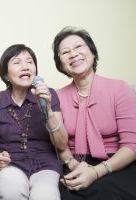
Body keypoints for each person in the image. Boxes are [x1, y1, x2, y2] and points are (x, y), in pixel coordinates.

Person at [53, 26, 136, 200]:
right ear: (60, 63)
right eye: (65, 52)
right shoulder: (57, 96)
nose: (73, 54)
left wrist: (96, 172)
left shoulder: (119, 88)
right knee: (66, 191)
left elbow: (132, 145)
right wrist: (74, 165)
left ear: (92, 52)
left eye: (79, 47)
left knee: (104, 191)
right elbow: (60, 145)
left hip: (117, 162)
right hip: (75, 163)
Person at [0, 44, 68, 200]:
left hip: (46, 166)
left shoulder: (49, 95)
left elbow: (62, 144)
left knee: (46, 196)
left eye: (30, 62)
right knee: (11, 191)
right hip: (10, 165)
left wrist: (48, 110)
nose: (25, 67)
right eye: (17, 62)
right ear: (5, 75)